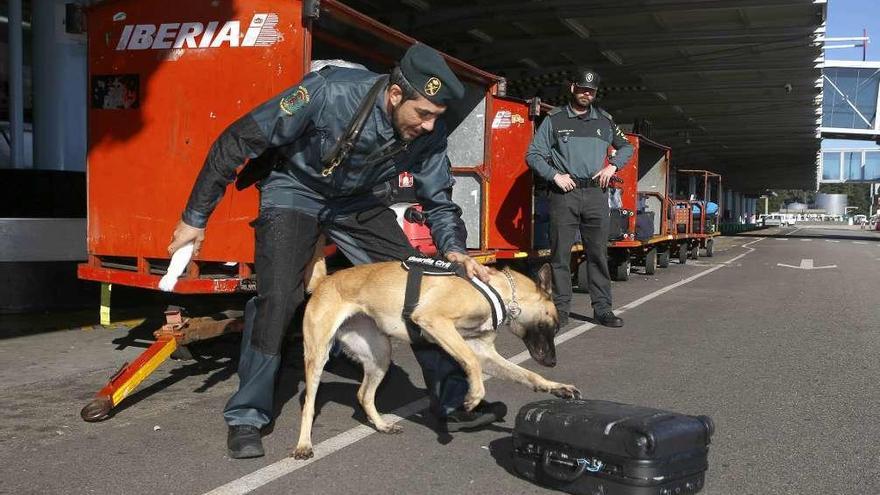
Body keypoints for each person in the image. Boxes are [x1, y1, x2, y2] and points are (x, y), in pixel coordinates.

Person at [167, 43, 505, 459]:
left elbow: (439, 201)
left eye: (437, 116)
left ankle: (455, 400)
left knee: (417, 285)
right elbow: (237, 140)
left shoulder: (426, 136)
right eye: (424, 114)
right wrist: (195, 217)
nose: (430, 126)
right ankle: (246, 416)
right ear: (395, 94)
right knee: (279, 298)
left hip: (359, 202)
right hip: (294, 190)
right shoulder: (328, 93)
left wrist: (453, 250)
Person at [526, 68, 634, 329]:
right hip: (565, 194)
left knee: (597, 253)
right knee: (560, 256)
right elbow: (533, 154)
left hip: (596, 194)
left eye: (592, 91)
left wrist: (612, 166)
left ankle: (603, 309)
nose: (587, 94)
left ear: (595, 93)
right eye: (583, 89)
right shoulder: (555, 120)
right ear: (573, 88)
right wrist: (554, 176)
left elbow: (627, 147)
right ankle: (561, 311)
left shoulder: (605, 122)